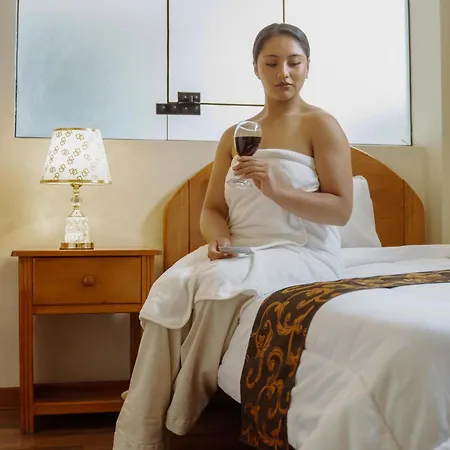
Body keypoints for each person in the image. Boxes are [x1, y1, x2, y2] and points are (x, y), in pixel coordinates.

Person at [113, 22, 353, 450]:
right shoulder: (236, 133)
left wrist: (277, 189)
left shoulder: (322, 125)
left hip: (302, 250)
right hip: (241, 248)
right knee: (171, 286)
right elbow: (212, 209)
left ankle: (179, 409)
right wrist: (218, 239)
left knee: (218, 288)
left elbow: (341, 209)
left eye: (294, 62)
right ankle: (140, 428)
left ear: (308, 66)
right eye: (272, 63)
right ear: (256, 68)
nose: (283, 73)